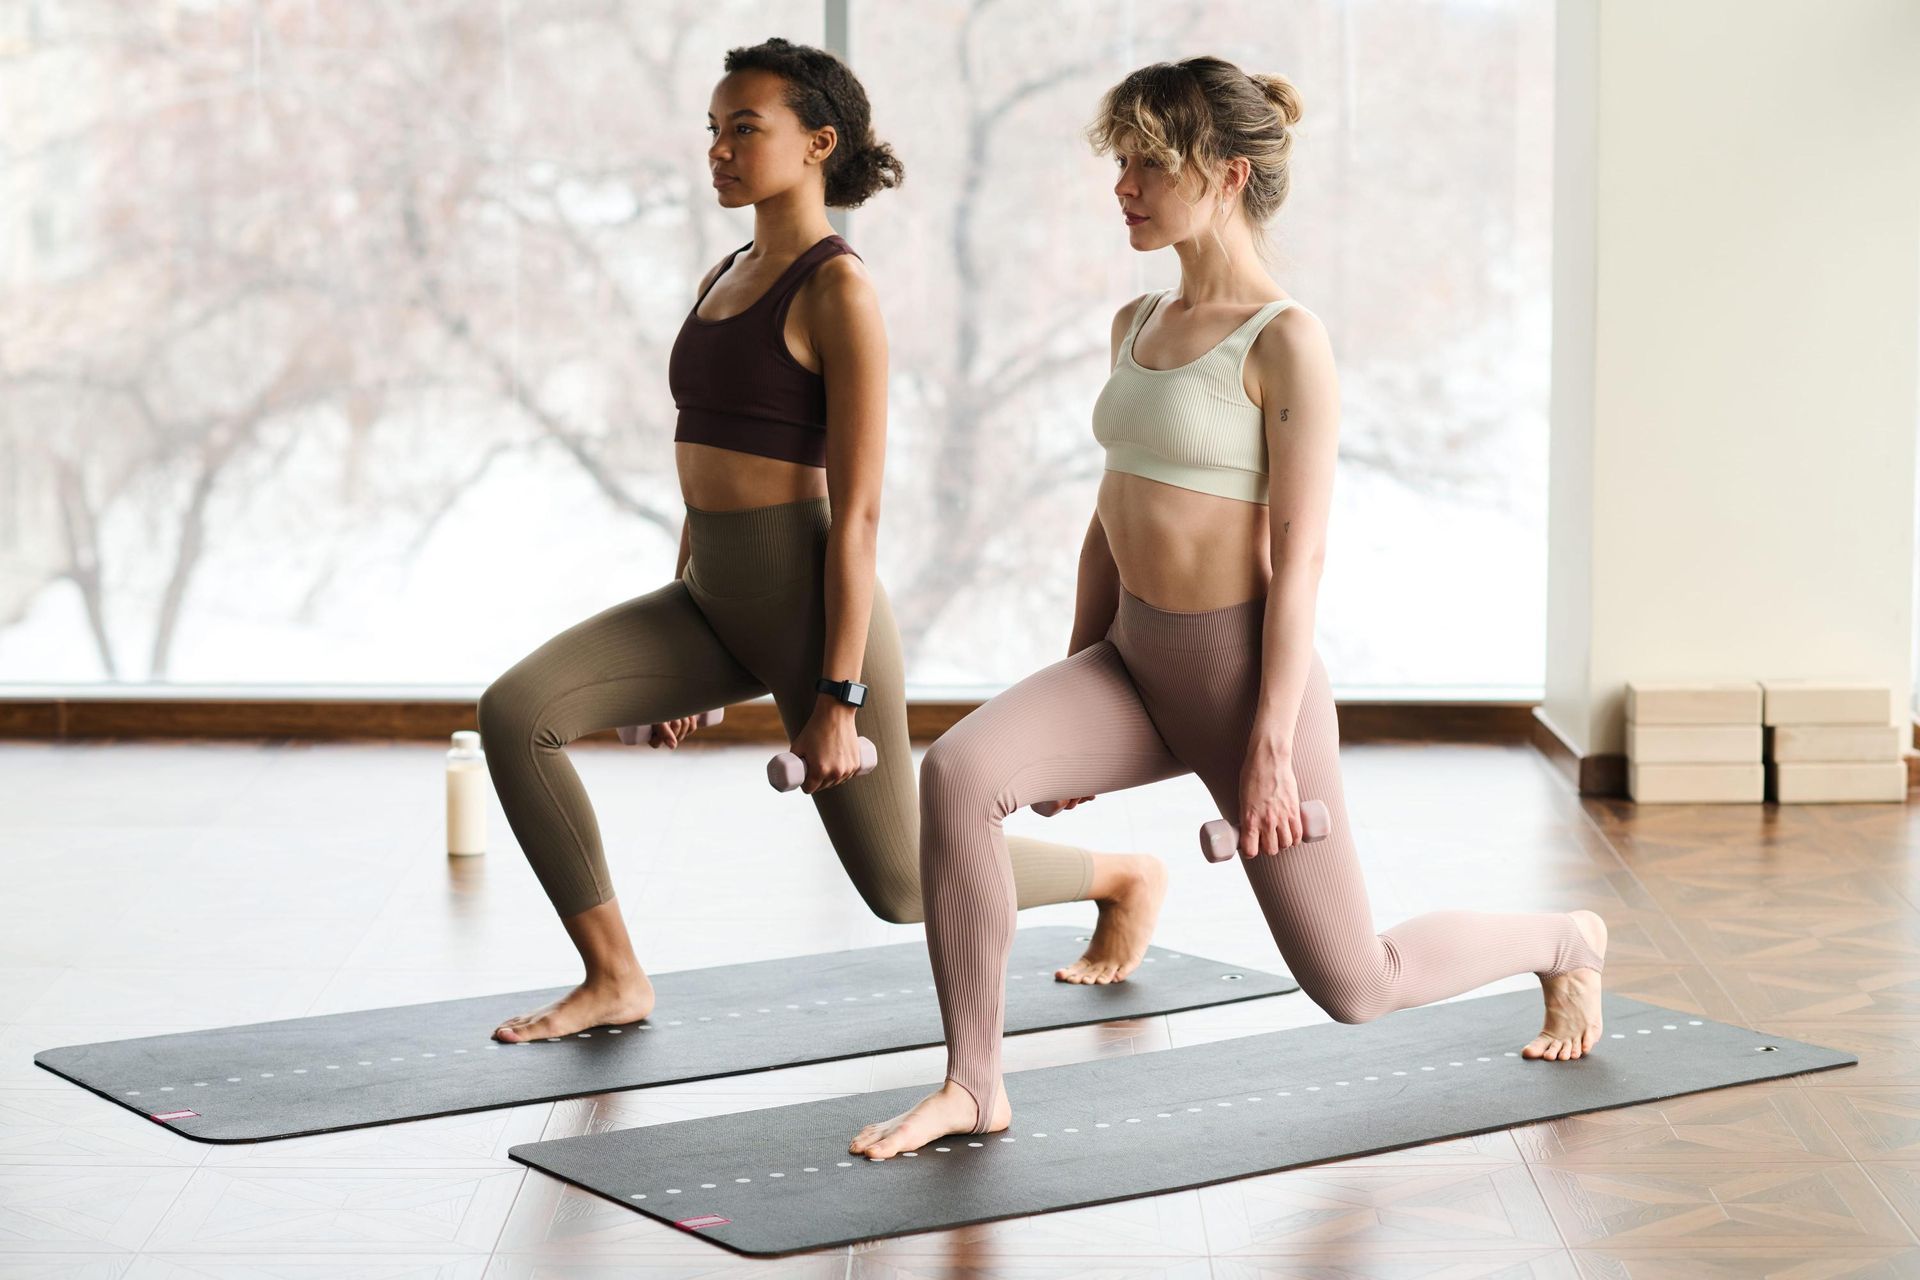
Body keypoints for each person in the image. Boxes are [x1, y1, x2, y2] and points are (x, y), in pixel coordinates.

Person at [849, 56, 1608, 1159]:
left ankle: (1565, 940)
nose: (1123, 187)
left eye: (1149, 165)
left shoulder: (1286, 339)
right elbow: (1109, 516)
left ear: (1227, 174)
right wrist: (1070, 676)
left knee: (1356, 984)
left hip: (1242, 680)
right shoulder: (1135, 321)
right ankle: (975, 1083)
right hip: (1129, 662)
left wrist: (1269, 744)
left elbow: (1301, 562)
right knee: (959, 774)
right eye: (1120, 163)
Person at [476, 37, 1167, 1044]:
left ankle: (1120, 875)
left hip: (812, 613)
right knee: (515, 714)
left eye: (744, 129)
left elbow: (861, 513)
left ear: (818, 144)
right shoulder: (725, 271)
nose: (719, 149)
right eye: (713, 129)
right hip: (710, 596)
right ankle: (614, 975)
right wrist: (687, 621)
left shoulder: (838, 291)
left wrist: (838, 699)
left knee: (900, 883)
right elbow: (703, 456)